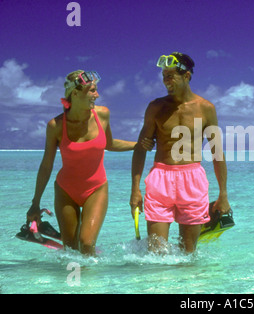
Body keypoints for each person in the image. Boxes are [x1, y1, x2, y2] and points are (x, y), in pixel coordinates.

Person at [27, 70, 153, 255]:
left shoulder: (102, 115)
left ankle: (91, 284)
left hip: (96, 189)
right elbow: (46, 165)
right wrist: (35, 203)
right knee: (70, 249)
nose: (97, 95)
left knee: (86, 244)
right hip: (65, 190)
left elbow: (109, 144)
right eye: (92, 90)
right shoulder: (55, 126)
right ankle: (72, 283)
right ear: (75, 93)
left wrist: (137, 145)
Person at [130, 52, 230, 253]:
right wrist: (135, 189)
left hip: (192, 179)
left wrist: (223, 194)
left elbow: (217, 153)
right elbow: (141, 148)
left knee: (188, 253)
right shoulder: (156, 107)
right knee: (156, 253)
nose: (166, 80)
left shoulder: (206, 108)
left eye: (171, 75)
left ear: (187, 76)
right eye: (164, 75)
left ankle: (189, 285)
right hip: (160, 178)